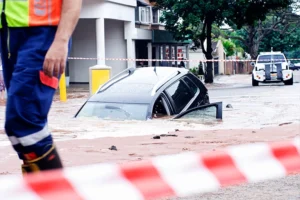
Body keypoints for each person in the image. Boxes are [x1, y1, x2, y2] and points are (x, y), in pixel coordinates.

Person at [0, 0, 82, 174]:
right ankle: (39, 190)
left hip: (44, 34)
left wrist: (61, 40)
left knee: (25, 120)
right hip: (9, 34)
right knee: (16, 131)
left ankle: (57, 191)